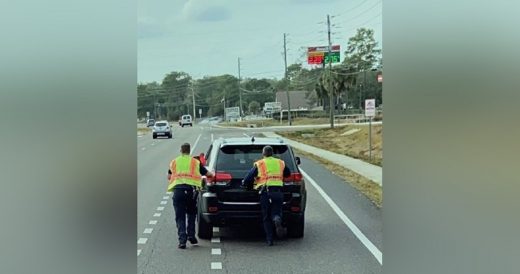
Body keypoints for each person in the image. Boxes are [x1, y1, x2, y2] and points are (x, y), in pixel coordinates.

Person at [242, 146, 291, 246]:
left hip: (266, 192)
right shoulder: (280, 162)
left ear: (263, 154)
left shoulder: (260, 163)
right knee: (276, 212)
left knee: (266, 216)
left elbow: (248, 178)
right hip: (278, 191)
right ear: (272, 153)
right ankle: (276, 218)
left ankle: (270, 240)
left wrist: (245, 183)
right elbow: (288, 174)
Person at [168, 143, 213, 249]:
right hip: (191, 191)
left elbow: (169, 176)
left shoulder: (174, 161)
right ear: (189, 150)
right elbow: (208, 174)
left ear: (181, 150)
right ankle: (191, 236)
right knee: (192, 214)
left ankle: (182, 241)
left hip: (178, 191)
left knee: (180, 216)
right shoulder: (195, 162)